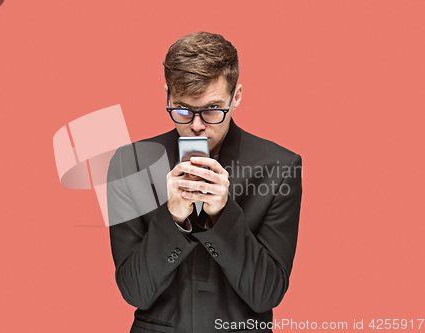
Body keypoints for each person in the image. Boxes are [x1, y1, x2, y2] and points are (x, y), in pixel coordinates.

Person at [107, 31, 302, 333]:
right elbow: (135, 291)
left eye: (212, 109)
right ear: (167, 96)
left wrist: (223, 216)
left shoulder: (280, 167)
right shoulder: (129, 165)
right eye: (183, 109)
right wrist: (172, 219)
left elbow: (266, 294)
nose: (196, 126)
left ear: (236, 97)